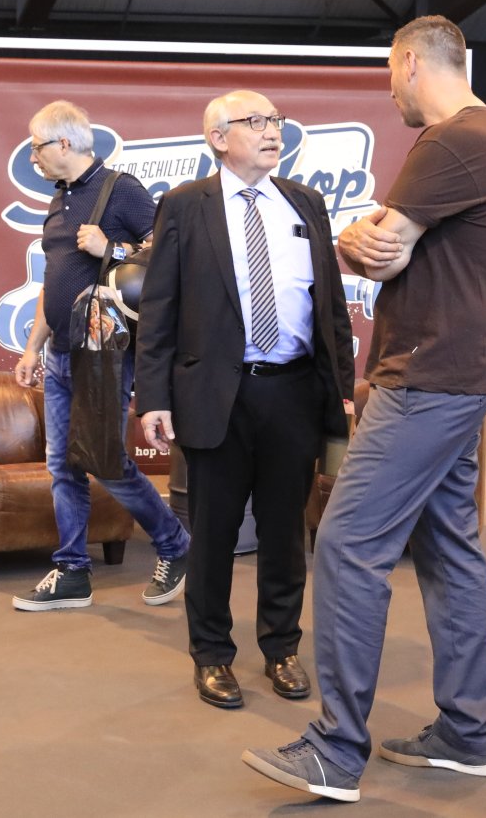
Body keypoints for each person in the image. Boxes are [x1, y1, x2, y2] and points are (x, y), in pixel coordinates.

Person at [243, 16, 486, 803]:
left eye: (389, 73)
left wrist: (358, 234)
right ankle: (468, 731)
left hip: (429, 376)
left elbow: (384, 248)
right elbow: (385, 245)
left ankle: (336, 749)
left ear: (409, 62)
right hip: (458, 370)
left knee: (347, 542)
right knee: (448, 546)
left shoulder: (453, 140)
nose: (389, 88)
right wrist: (366, 235)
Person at [136, 90, 354, 711]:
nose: (271, 131)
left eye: (275, 120)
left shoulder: (305, 202)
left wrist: (341, 391)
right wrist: (153, 396)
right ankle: (211, 655)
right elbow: (159, 309)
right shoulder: (185, 206)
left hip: (294, 392)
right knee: (214, 534)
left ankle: (281, 648)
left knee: (286, 532)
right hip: (216, 396)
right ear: (217, 137)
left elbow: (330, 306)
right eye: (254, 122)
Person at [11, 101, 190, 612]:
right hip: (61, 355)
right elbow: (54, 281)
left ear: (64, 143)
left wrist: (111, 248)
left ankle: (174, 544)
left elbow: (169, 257)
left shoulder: (120, 189)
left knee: (106, 463)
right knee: (62, 465)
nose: (33, 158)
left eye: (37, 147)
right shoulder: (60, 198)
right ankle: (72, 571)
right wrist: (33, 347)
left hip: (105, 355)